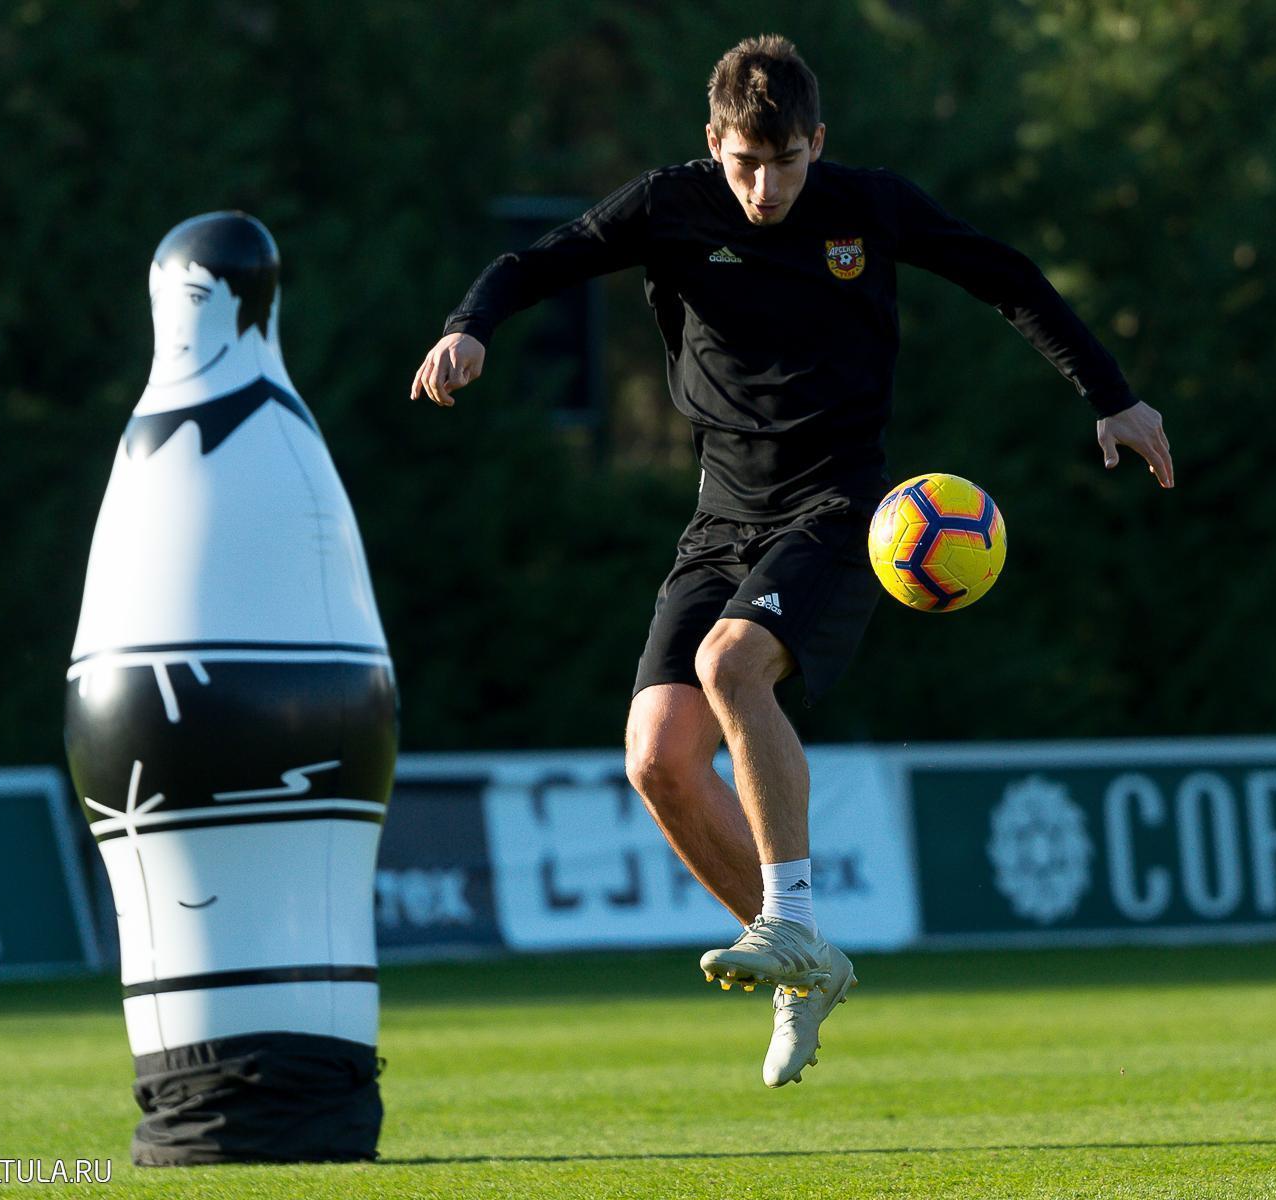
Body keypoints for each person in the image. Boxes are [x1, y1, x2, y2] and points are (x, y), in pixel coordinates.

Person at [411, 34, 1174, 1088]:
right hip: (718, 519)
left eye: (784, 163)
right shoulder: (669, 205)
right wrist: (471, 328)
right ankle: (804, 961)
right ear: (712, 144)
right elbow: (535, 262)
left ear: (818, 142)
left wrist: (1111, 395)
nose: (764, 189)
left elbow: (1003, 275)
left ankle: (789, 919)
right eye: (744, 164)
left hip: (841, 508)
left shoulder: (871, 207)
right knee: (656, 759)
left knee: (731, 665)